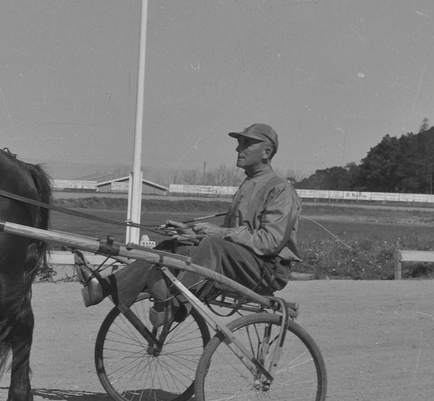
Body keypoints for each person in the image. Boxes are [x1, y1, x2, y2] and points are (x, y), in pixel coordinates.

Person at [80, 123, 301, 325]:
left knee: (213, 245)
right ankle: (104, 288)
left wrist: (218, 233)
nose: (238, 148)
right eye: (238, 143)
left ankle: (175, 306)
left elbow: (269, 242)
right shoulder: (248, 185)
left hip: (267, 270)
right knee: (173, 246)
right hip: (241, 262)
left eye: (246, 143)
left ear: (266, 152)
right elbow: (231, 239)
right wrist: (191, 234)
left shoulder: (280, 189)